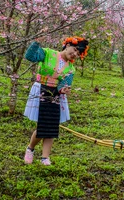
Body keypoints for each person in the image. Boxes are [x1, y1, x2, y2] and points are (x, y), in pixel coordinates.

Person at [23, 36, 89, 165]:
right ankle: (30, 149)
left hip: (55, 94)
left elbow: (64, 85)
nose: (75, 54)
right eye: (75, 49)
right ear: (67, 45)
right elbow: (30, 56)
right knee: (43, 124)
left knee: (52, 126)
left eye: (78, 53)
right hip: (41, 88)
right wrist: (36, 42)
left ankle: (45, 157)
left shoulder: (71, 69)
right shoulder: (48, 53)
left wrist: (63, 90)